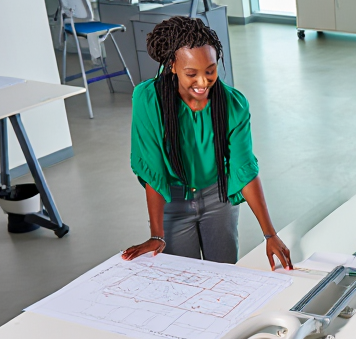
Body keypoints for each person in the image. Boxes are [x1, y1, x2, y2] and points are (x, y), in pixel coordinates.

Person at [122, 16, 292, 270]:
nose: (203, 82)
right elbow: (153, 169)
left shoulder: (233, 104)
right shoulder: (148, 99)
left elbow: (244, 169)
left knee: (223, 275)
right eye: (192, 73)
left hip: (218, 198)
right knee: (185, 278)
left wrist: (270, 234)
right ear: (173, 66)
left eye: (210, 71)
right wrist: (157, 235)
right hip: (173, 200)